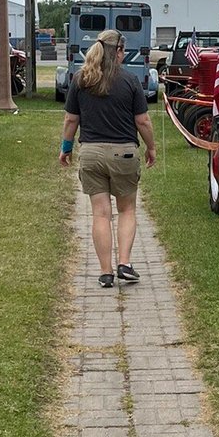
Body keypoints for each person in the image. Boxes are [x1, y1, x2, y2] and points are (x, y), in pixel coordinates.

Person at [59, 29, 156, 288]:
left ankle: (105, 272)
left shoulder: (81, 79)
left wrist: (66, 148)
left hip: (91, 154)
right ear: (120, 52)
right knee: (126, 210)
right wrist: (151, 148)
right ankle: (124, 263)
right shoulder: (130, 81)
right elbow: (143, 121)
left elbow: (71, 120)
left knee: (101, 215)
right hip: (124, 153)